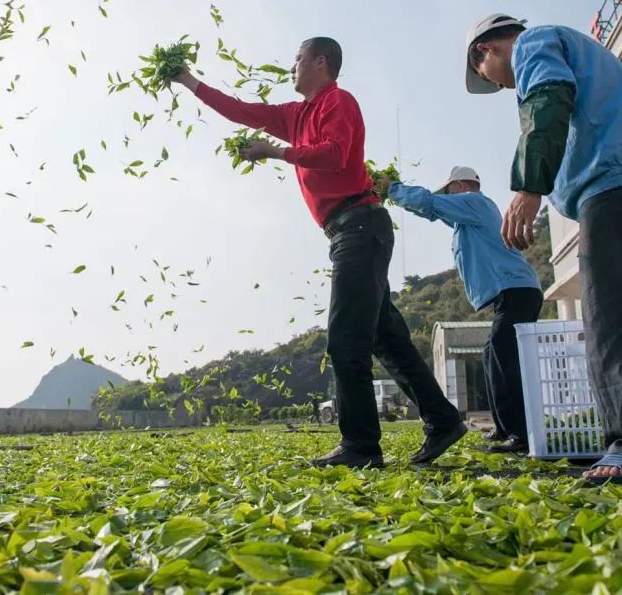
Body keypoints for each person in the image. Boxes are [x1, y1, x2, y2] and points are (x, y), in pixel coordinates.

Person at [173, 37, 466, 468]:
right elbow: (242, 111)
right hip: (347, 232)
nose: (291, 66)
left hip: (361, 226)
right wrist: (189, 82)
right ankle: (442, 419)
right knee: (388, 339)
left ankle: (361, 447)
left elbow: (333, 155)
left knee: (346, 338)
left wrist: (276, 153)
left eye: (297, 58)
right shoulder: (295, 115)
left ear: (320, 62)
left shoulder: (338, 102)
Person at [465, 13, 622, 482]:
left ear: (485, 53)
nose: (498, 85)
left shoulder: (534, 43)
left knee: (609, 318)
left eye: (488, 80)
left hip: (609, 188)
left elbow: (547, 100)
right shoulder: (583, 52)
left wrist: (529, 187)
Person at [377, 165, 542, 452]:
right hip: (512, 292)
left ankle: (520, 434)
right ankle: (505, 429)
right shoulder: (468, 215)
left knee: (503, 358)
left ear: (462, 186)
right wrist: (404, 197)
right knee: (493, 355)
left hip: (517, 291)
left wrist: (392, 188)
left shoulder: (475, 202)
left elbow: (429, 202)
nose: (448, 197)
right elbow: (432, 210)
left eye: (449, 191)